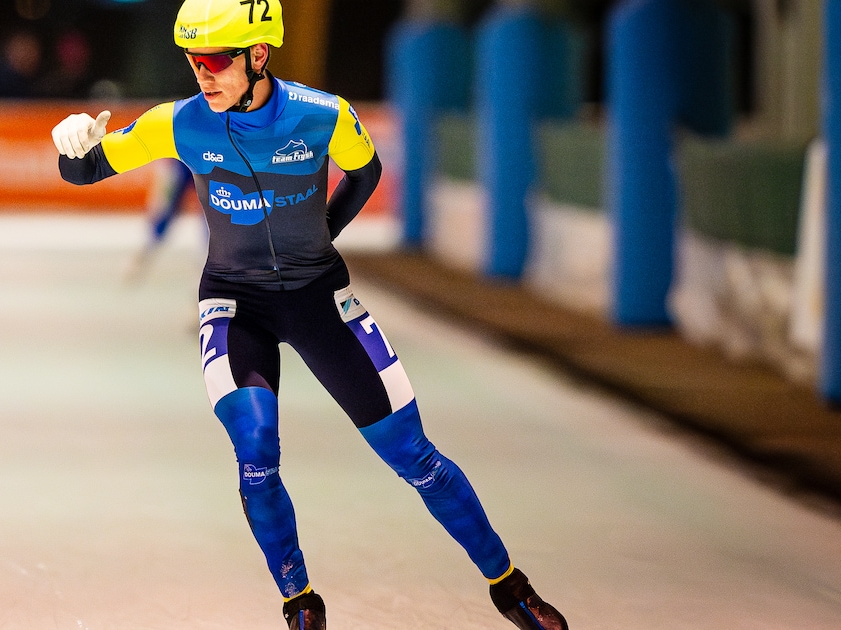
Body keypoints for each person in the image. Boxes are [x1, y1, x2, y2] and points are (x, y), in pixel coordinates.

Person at [50, 1, 568, 628]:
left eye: (214, 59)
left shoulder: (323, 115)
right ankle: (300, 603)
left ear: (258, 55)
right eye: (192, 60)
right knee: (256, 449)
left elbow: (366, 171)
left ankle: (510, 587)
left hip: (319, 298)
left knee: (413, 455)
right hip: (234, 302)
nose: (201, 74)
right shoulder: (177, 123)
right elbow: (85, 170)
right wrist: (72, 145)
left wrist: (322, 235)